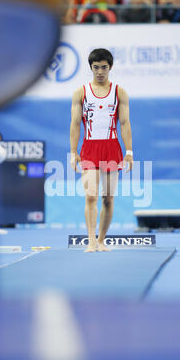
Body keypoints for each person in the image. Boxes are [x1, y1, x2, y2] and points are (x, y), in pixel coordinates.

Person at [70, 48, 133, 252]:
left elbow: (124, 123)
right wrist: (73, 152)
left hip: (111, 147)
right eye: (96, 67)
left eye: (103, 67)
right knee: (91, 196)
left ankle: (101, 240)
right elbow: (75, 124)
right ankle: (90, 240)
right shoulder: (81, 92)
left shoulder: (119, 92)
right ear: (91, 67)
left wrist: (129, 152)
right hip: (89, 147)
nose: (99, 71)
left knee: (108, 198)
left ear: (110, 68)